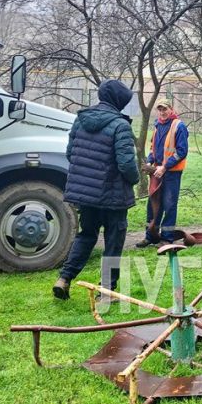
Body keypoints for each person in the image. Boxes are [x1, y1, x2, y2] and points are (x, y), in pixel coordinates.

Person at [53, 80, 139, 300]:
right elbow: (126, 164)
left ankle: (64, 278)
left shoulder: (80, 121)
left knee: (86, 235)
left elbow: (71, 154)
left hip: (87, 194)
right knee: (113, 239)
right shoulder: (121, 126)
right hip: (113, 195)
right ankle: (107, 289)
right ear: (118, 101)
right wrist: (135, 179)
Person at [136, 98, 189, 248]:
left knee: (169, 205)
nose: (162, 112)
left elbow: (181, 152)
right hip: (156, 172)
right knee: (152, 204)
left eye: (164, 109)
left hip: (171, 173)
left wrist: (165, 167)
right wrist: (149, 162)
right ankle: (150, 236)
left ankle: (166, 239)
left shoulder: (179, 126)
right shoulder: (157, 125)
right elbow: (153, 148)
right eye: (160, 109)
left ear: (171, 109)